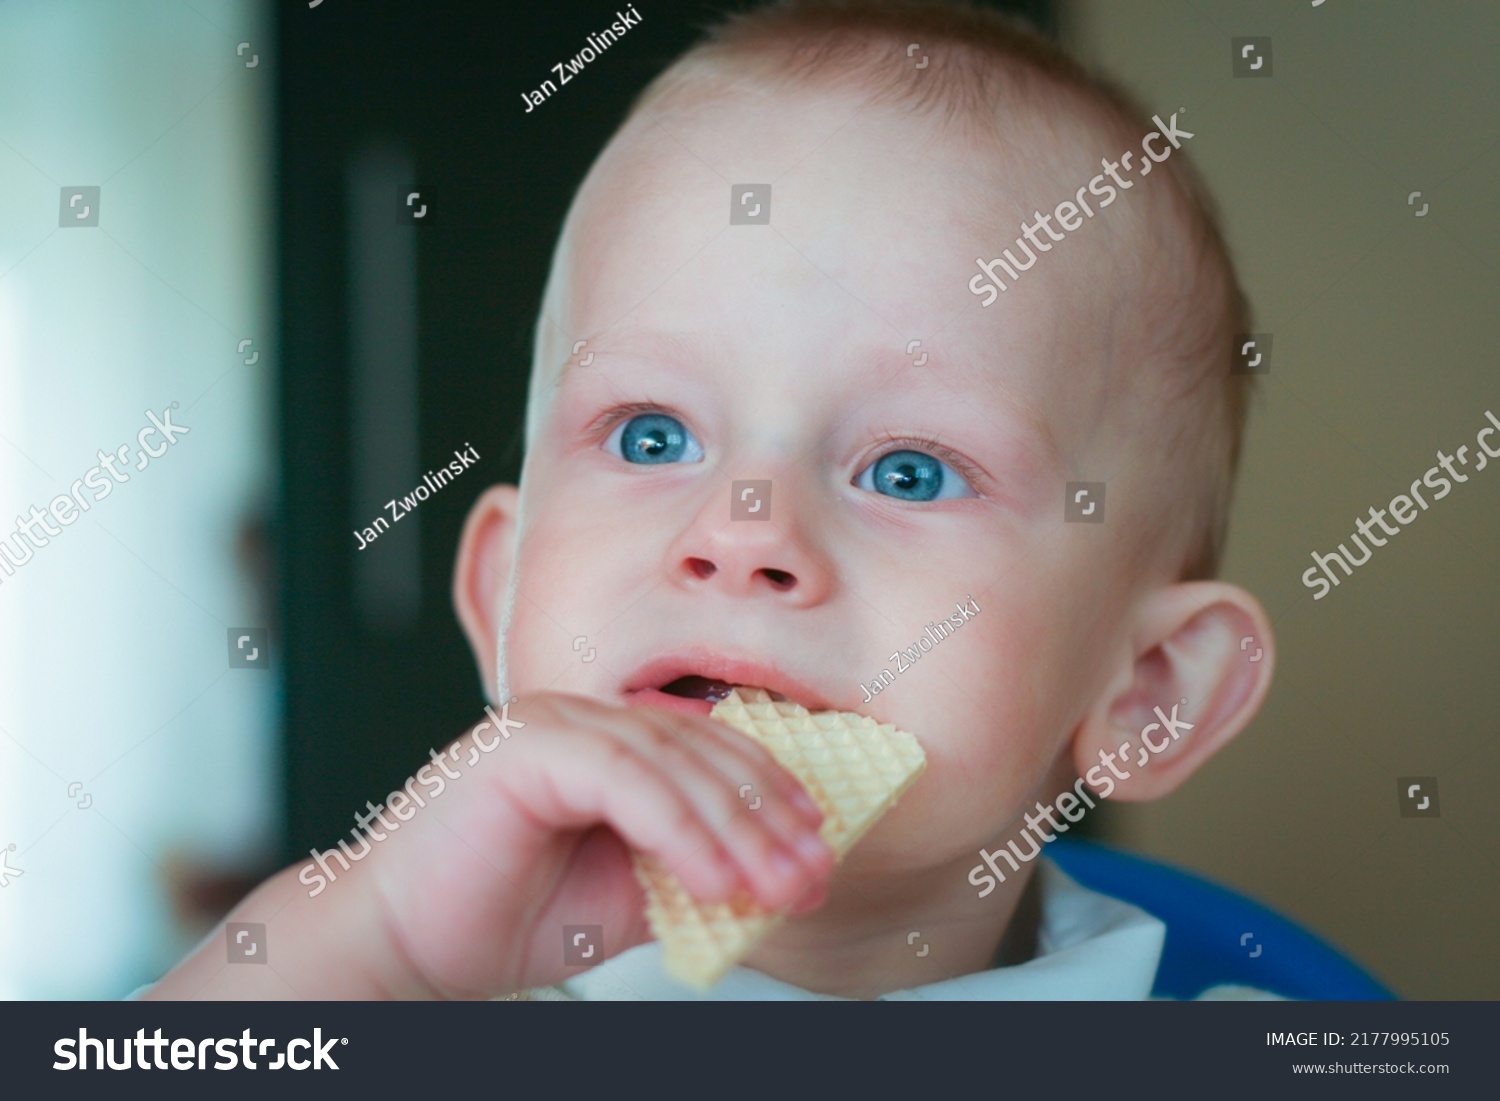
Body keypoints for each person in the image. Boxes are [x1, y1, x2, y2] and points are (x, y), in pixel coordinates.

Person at [145, 0, 1276, 1001]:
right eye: (653, 436)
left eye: (908, 471)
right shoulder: (411, 996)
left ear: (1148, 693)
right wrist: (383, 947)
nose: (743, 533)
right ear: (500, 596)